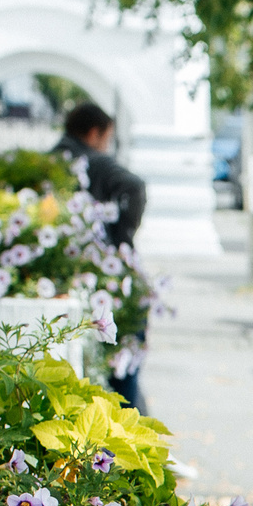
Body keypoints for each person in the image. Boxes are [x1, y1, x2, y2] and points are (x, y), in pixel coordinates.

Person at [56, 101, 150, 410]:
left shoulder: (52, 160)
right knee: (121, 355)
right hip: (106, 273)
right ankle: (125, 423)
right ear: (95, 133)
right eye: (106, 138)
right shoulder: (94, 161)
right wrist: (122, 234)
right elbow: (134, 186)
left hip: (63, 270)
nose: (105, 146)